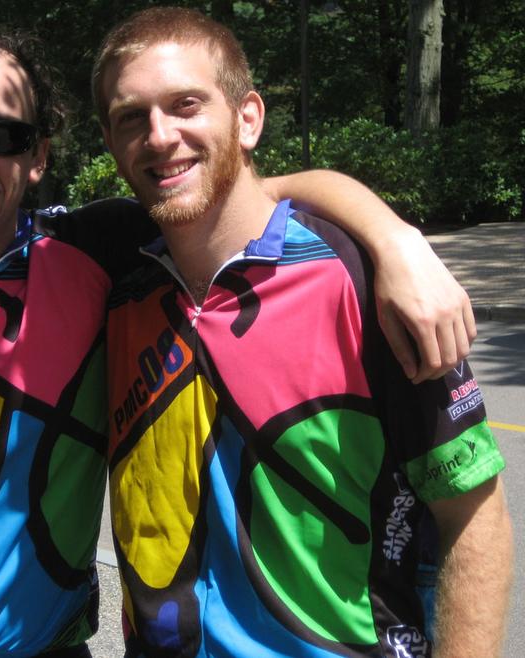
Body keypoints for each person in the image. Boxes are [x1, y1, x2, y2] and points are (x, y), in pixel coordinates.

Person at [0, 21, 486, 658]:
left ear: (39, 155)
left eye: (6, 135)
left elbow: (238, 187)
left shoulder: (98, 256)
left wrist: (397, 240)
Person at [92, 7, 513, 658]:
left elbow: (474, 514)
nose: (160, 136)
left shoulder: (362, 280)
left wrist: (394, 239)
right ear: (111, 140)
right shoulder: (114, 286)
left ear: (248, 117)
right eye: (131, 117)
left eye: (186, 105)